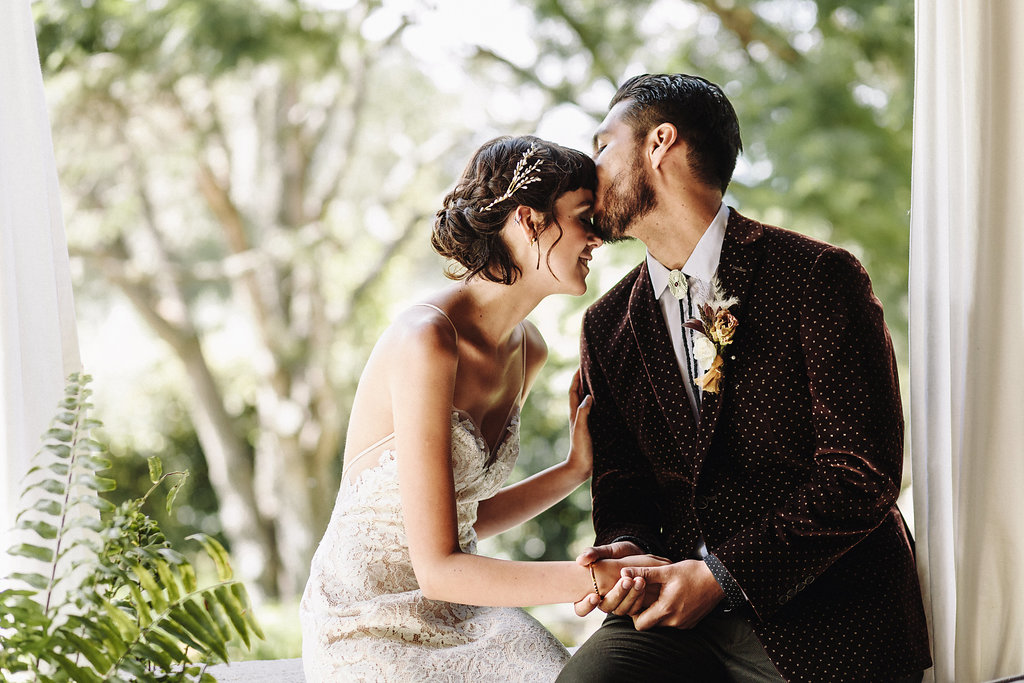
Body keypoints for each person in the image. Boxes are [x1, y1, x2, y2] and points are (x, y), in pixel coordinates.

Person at [558, 74, 932, 682]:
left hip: (827, 609)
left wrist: (723, 576)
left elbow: (861, 474)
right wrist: (626, 550)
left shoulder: (818, 277)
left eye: (604, 146)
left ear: (660, 143)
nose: (589, 171)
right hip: (675, 616)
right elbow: (623, 484)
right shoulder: (605, 324)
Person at [299, 135, 666, 682]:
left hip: (463, 608)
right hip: (366, 616)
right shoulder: (427, 340)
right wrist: (597, 579)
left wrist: (574, 470)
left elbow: (463, 518)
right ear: (530, 219)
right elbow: (439, 568)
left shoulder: (529, 350)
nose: (599, 236)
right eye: (584, 216)